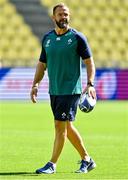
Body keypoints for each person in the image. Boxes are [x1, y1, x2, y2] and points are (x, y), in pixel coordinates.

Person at [30, 3, 96, 174]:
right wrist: (35, 84)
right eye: (60, 14)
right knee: (66, 127)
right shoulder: (47, 39)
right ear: (53, 17)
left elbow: (89, 62)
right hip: (55, 91)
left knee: (60, 127)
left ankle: (52, 164)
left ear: (69, 16)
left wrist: (90, 83)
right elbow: (41, 64)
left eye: (66, 14)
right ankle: (87, 159)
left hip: (71, 90)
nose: (63, 17)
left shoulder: (77, 37)